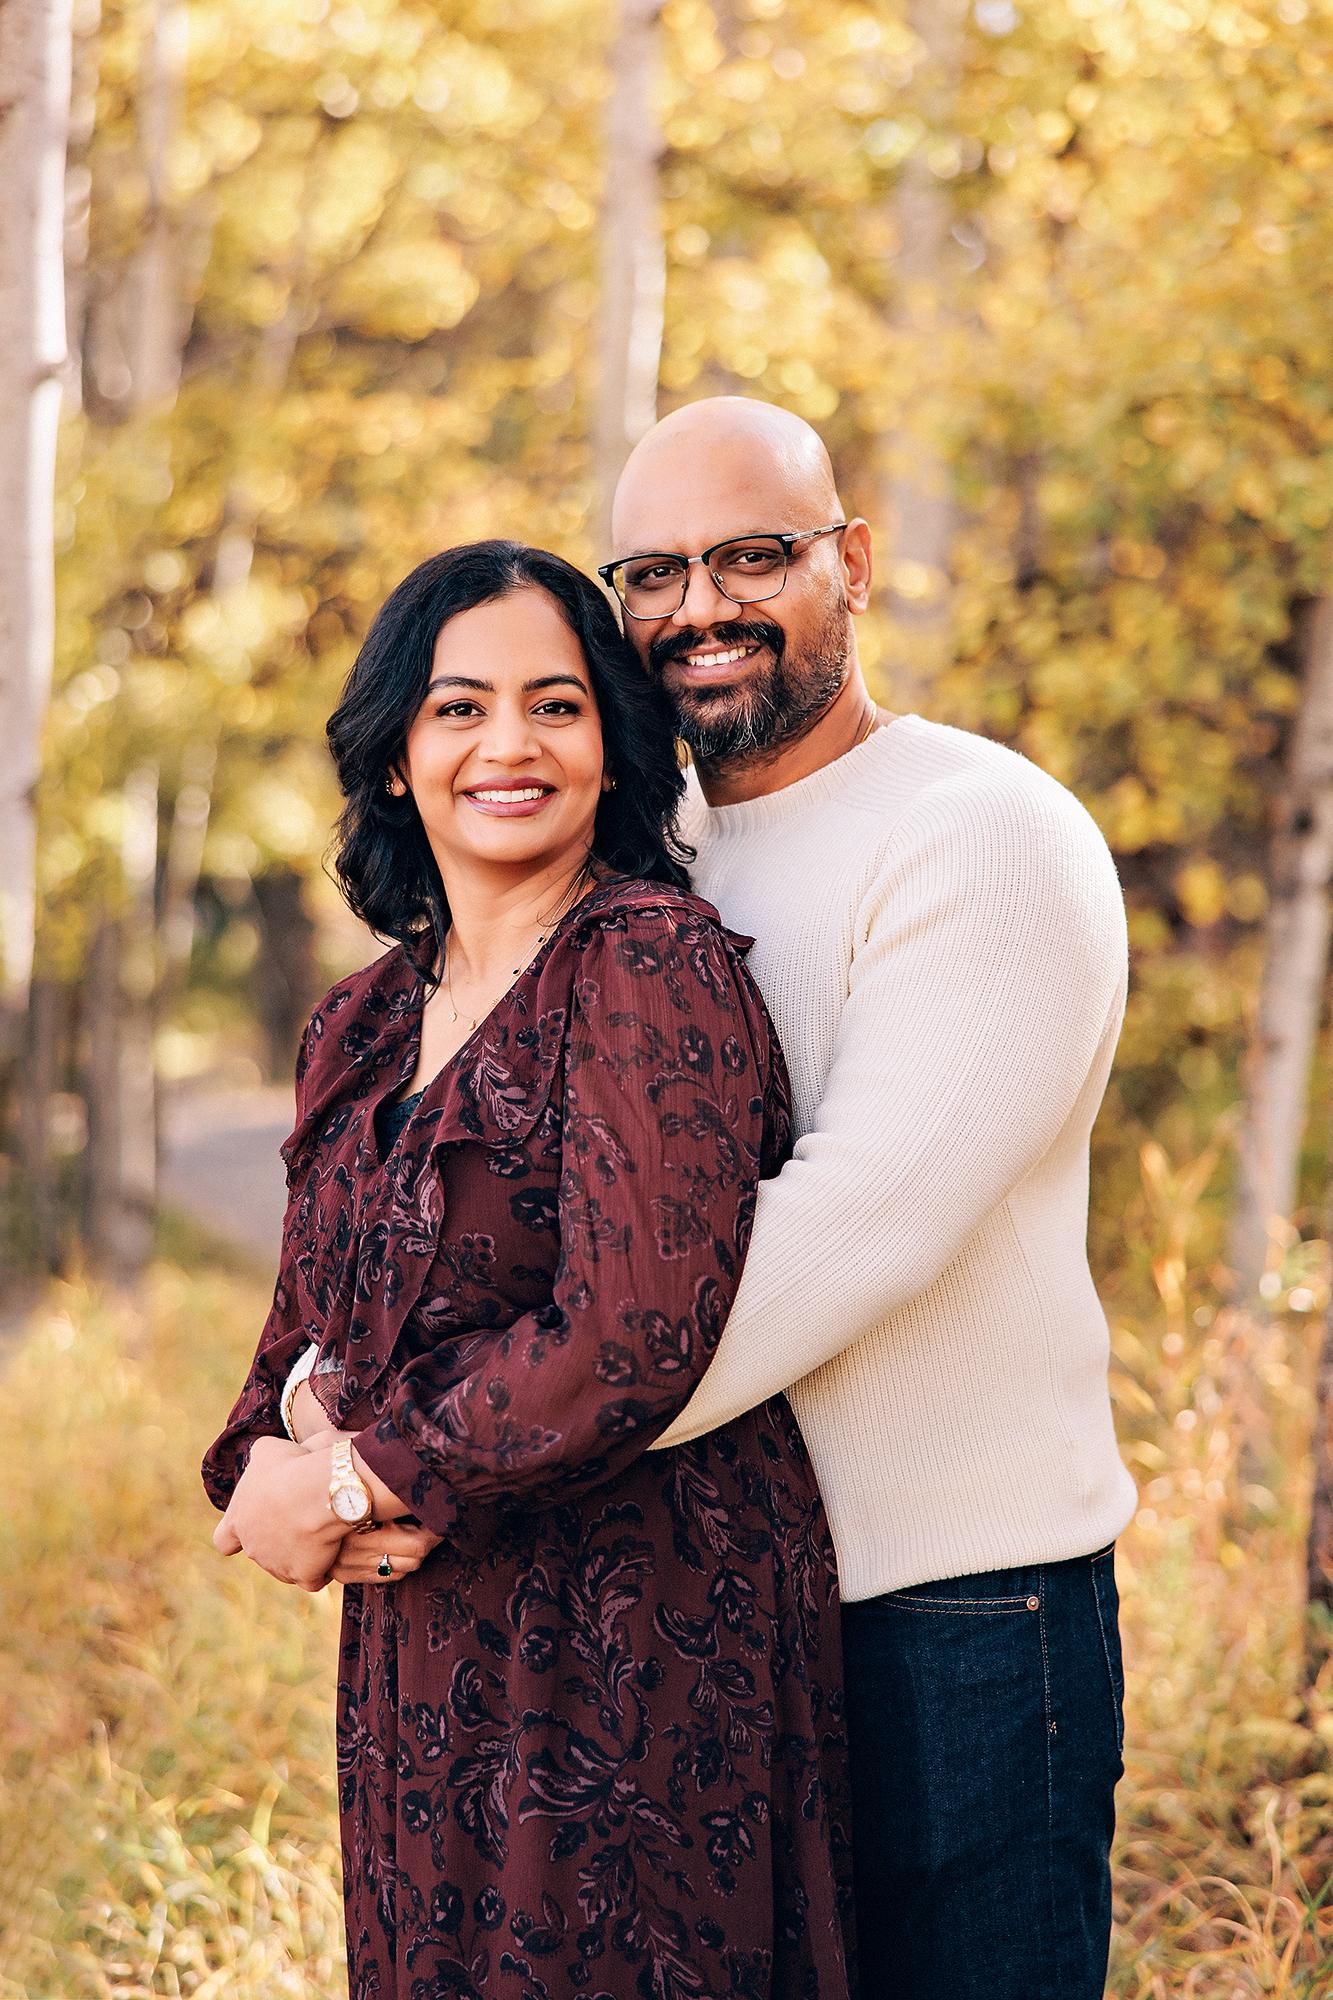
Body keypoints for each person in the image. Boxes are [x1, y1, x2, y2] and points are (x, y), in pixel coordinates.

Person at [202, 541, 856, 2000]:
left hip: (631, 1643)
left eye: (556, 706)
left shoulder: (645, 963)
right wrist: (253, 1468)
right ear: (394, 758)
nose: (508, 745)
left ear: (613, 747)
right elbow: (301, 1327)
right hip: (423, 1652)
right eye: (459, 709)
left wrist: (360, 1476)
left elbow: (632, 1328)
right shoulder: (361, 1019)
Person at [599, 397, 1137, 2000]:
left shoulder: (980, 836)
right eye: (652, 573)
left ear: (851, 562)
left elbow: (860, 1227)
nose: (699, 609)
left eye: (750, 555)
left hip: (956, 1621)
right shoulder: (645, 860)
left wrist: (470, 1446)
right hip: (704, 1611)